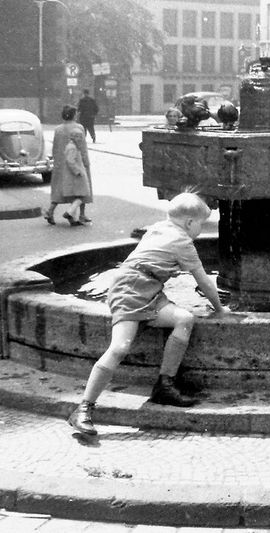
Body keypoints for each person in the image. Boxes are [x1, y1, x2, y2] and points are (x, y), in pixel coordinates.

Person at [67, 192, 229, 436]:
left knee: (184, 319)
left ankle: (164, 385)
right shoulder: (183, 242)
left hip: (149, 290)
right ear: (188, 223)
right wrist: (220, 309)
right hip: (131, 290)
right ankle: (83, 408)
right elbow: (204, 282)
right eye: (200, 225)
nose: (199, 230)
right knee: (119, 348)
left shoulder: (159, 228)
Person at [44, 105, 92, 226]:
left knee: (59, 190)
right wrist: (86, 163)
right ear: (74, 115)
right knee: (82, 190)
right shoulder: (78, 127)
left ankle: (50, 211)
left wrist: (57, 160)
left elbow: (55, 147)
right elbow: (82, 147)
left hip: (61, 163)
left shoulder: (58, 129)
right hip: (77, 162)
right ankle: (81, 214)